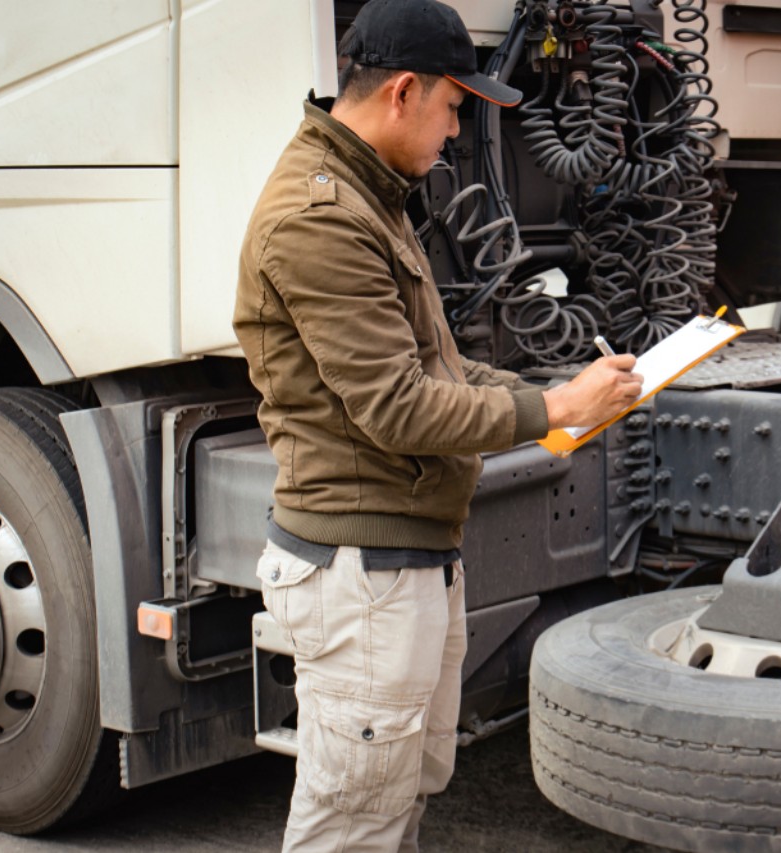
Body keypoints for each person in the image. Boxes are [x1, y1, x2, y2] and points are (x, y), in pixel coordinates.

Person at [233, 0, 643, 849]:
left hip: (399, 566)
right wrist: (557, 410)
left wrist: (557, 388)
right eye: (456, 107)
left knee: (392, 805)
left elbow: (437, 369)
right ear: (405, 92)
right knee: (350, 824)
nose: (457, 134)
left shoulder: (368, 196)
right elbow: (397, 406)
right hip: (364, 575)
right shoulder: (322, 218)